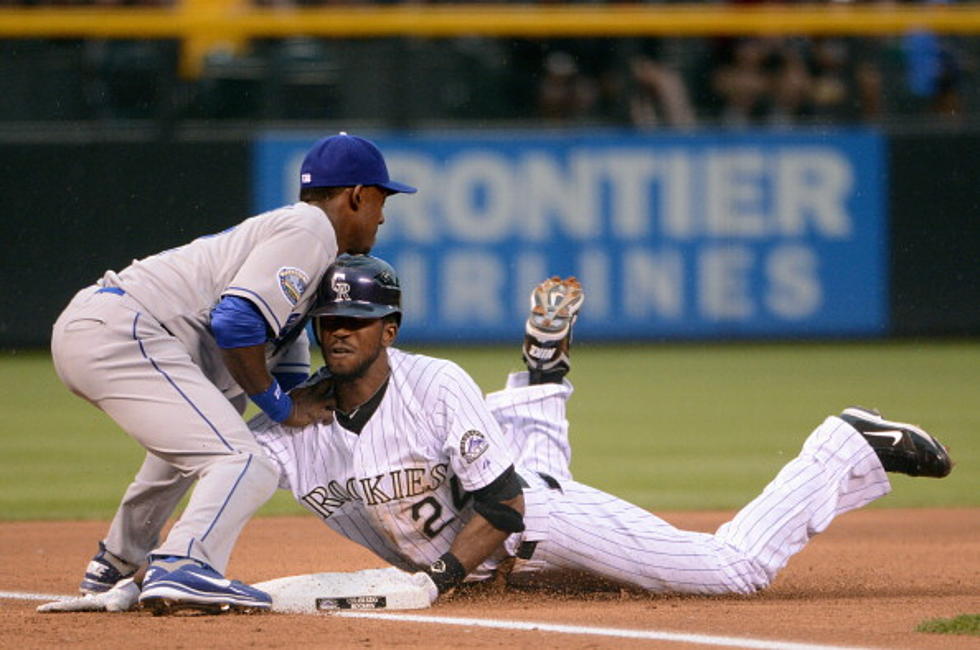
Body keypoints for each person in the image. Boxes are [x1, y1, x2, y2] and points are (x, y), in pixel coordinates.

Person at [248, 254, 953, 600]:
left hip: (528, 522)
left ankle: (844, 443)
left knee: (731, 570)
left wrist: (439, 576)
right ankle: (543, 373)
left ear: (388, 330)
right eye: (329, 322)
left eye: (357, 322)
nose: (340, 332)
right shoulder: (288, 430)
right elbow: (214, 470)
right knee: (526, 465)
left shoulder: (432, 381)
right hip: (505, 489)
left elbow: (507, 505)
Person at [49, 133, 416, 614]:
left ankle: (113, 568)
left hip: (107, 331)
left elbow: (281, 354)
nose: (382, 215)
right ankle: (185, 564)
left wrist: (290, 404)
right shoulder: (311, 229)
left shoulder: (308, 251)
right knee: (244, 462)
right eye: (380, 199)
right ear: (356, 195)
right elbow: (236, 321)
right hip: (124, 329)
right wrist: (281, 407)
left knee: (214, 426)